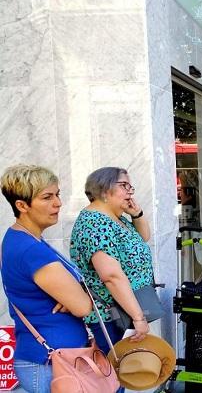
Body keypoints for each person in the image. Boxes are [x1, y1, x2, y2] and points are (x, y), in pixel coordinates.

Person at [1, 165, 93, 392]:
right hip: (48, 362)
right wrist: (78, 296)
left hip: (55, 358)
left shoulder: (24, 239)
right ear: (22, 206)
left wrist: (76, 290)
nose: (58, 203)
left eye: (58, 194)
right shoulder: (30, 249)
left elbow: (78, 298)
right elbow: (83, 306)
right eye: (47, 197)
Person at [70, 167, 152, 366]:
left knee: (123, 373)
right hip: (112, 315)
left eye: (130, 186)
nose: (130, 192)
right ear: (104, 189)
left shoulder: (115, 218)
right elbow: (111, 276)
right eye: (124, 186)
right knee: (115, 375)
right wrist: (138, 317)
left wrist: (137, 214)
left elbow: (143, 238)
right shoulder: (95, 224)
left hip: (125, 310)